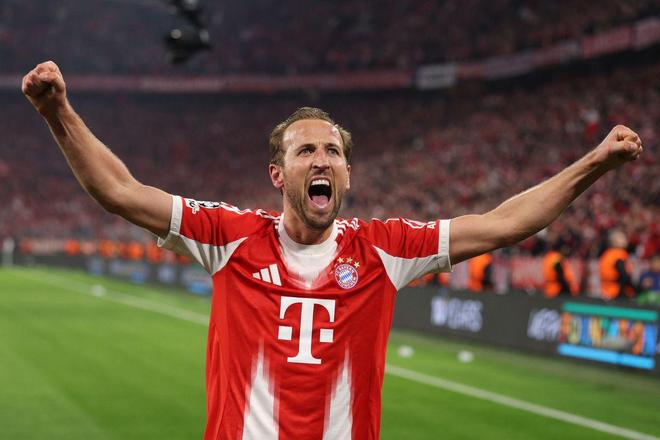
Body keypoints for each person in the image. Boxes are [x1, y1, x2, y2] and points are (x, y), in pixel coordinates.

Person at [22, 61, 644, 440]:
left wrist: (594, 163)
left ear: (347, 173)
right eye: (306, 151)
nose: (322, 160)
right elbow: (121, 192)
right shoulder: (230, 236)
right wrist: (57, 112)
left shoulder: (386, 249)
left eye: (333, 152)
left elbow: (502, 224)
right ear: (278, 174)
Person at [599, 229, 636, 300]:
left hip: (605, 289)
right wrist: (634, 287)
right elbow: (623, 273)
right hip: (616, 290)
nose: (625, 239)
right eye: (622, 237)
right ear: (615, 241)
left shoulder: (607, 253)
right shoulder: (618, 254)